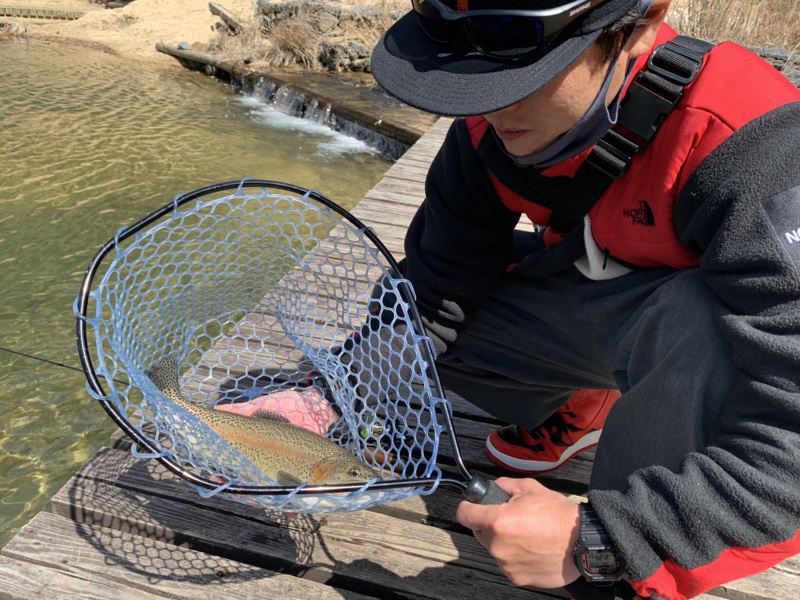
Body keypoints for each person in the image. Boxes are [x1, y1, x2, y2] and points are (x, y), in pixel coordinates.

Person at [369, 0, 800, 598]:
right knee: (401, 300)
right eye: (473, 79)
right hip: (609, 305)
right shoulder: (487, 125)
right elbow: (437, 290)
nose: (492, 106)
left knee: (698, 320)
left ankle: (628, 582)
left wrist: (604, 542)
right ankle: (587, 406)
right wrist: (339, 395)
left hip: (699, 336)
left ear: (637, 27)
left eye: (526, 75)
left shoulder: (755, 145)